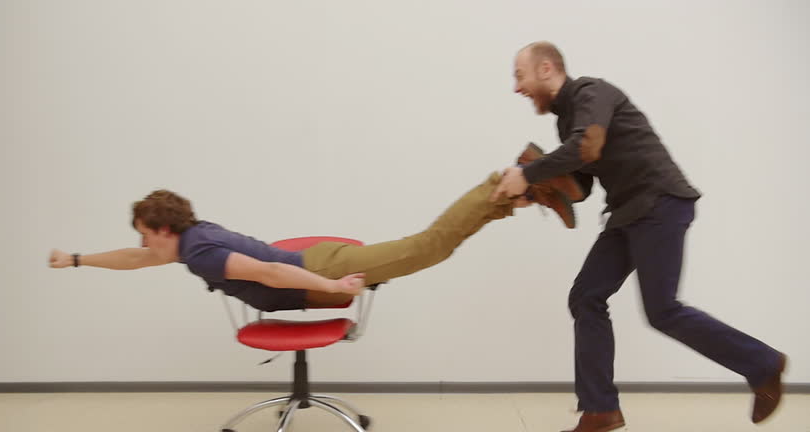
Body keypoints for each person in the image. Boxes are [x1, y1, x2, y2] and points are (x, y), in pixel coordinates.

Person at [491, 41, 787, 432]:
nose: (516, 87)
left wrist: (529, 174)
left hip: (660, 202)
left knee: (662, 310)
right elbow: (580, 187)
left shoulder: (592, 93)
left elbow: (586, 147)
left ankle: (763, 364)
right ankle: (600, 408)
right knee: (586, 296)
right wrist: (536, 190)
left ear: (546, 69)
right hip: (629, 212)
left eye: (519, 75)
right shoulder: (566, 122)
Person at [49, 172, 524, 311]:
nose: (143, 244)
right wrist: (75, 259)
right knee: (428, 248)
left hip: (320, 271)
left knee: (427, 247)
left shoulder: (199, 251)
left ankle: (500, 185)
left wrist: (336, 288)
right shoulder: (189, 241)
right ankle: (507, 198)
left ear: (165, 230)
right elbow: (135, 258)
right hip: (315, 270)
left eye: (146, 235)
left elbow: (271, 273)